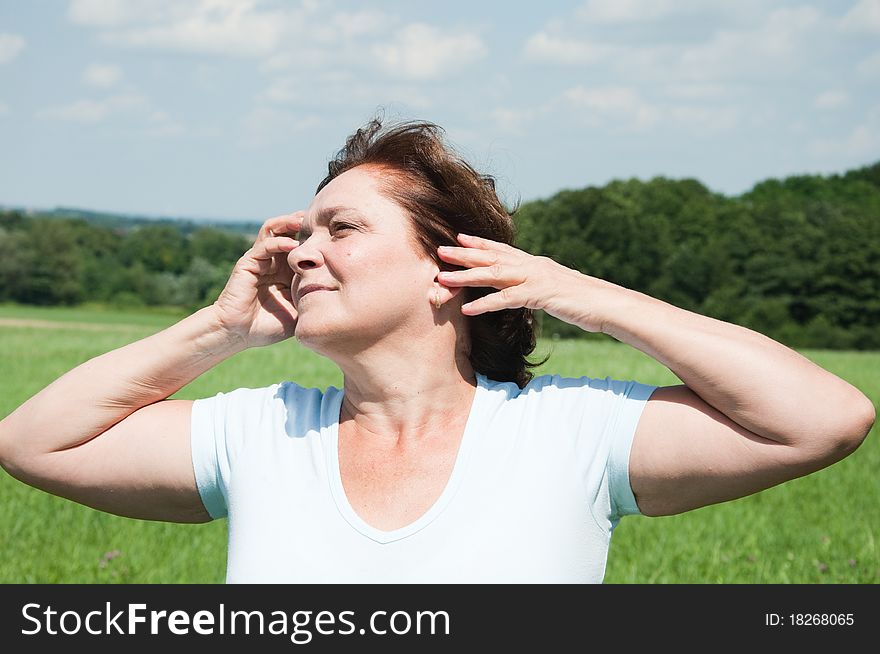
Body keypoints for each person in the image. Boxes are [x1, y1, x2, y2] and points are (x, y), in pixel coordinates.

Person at [0, 119, 874, 583]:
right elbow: (30, 441)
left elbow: (826, 418)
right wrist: (219, 328)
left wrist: (588, 297)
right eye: (302, 234)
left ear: (445, 270)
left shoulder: (571, 433)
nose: (302, 251)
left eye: (342, 229)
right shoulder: (260, 432)